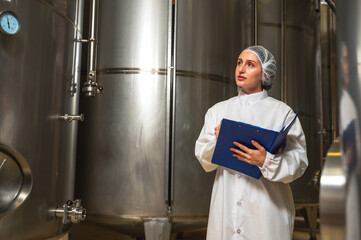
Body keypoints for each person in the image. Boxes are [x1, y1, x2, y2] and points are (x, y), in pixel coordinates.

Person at [195, 45, 308, 240]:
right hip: (226, 209)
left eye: (250, 64)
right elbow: (203, 157)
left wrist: (266, 160)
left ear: (265, 73)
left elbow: (298, 162)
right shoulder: (217, 111)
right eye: (239, 63)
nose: (241, 69)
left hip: (267, 213)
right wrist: (222, 140)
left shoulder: (282, 113)